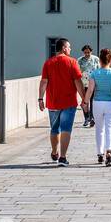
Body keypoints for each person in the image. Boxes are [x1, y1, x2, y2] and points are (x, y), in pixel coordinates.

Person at [38, 38, 87, 166]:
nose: (70, 49)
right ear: (64, 48)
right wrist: (84, 99)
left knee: (54, 128)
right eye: (69, 47)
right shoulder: (72, 62)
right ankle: (63, 157)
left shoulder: (48, 63)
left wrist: (40, 98)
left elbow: (44, 82)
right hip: (69, 102)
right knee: (66, 129)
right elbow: (78, 82)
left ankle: (54, 152)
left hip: (53, 102)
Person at [82, 48, 111, 166]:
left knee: (99, 129)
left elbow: (90, 91)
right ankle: (109, 151)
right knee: (110, 128)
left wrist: (85, 102)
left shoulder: (95, 73)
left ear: (99, 60)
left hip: (98, 103)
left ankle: (100, 154)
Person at [78, 45, 100, 128]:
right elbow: (77, 71)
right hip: (83, 84)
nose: (87, 54)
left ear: (91, 51)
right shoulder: (80, 60)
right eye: (85, 52)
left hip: (93, 83)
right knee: (84, 102)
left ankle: (92, 118)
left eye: (88, 52)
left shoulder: (96, 59)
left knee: (92, 101)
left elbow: (98, 70)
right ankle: (86, 118)